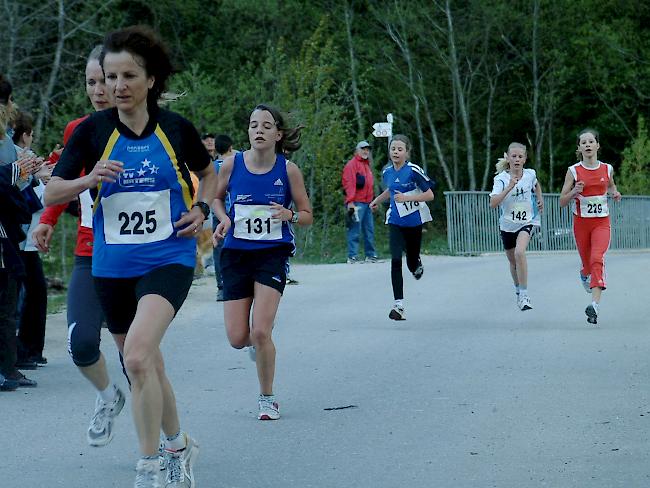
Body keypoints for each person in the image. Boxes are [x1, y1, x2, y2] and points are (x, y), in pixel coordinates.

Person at [45, 26, 218, 487]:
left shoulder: (176, 129)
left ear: (151, 80)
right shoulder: (90, 132)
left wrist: (201, 207)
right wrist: (87, 180)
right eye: (110, 76)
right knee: (146, 363)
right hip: (111, 265)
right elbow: (51, 192)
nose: (117, 86)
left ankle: (148, 469)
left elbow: (210, 173)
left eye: (128, 75)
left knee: (138, 357)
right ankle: (180, 446)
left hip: (168, 257)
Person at [33, 45, 130, 448]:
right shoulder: (79, 130)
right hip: (91, 253)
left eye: (105, 79)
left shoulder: (149, 129)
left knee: (138, 360)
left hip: (140, 258)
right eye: (90, 82)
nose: (98, 89)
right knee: (81, 342)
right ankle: (108, 397)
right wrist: (47, 221)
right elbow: (62, 182)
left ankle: (166, 438)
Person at [213, 104, 312, 421]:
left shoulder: (289, 170)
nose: (259, 130)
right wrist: (224, 218)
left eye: (266, 126)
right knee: (237, 338)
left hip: (272, 253)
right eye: (254, 125)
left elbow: (307, 215)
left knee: (259, 331)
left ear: (278, 134)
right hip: (236, 254)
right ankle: (257, 342)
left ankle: (267, 398)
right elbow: (214, 198)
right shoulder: (231, 165)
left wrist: (290, 215)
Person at [0, 73, 39, 389]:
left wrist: (31, 178)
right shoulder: (6, 147)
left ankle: (9, 366)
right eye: (7, 101)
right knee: (7, 300)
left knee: (10, 297)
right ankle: (6, 368)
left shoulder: (7, 144)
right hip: (4, 233)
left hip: (9, 230)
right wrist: (18, 174)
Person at [559, 128, 621, 325]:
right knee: (587, 264)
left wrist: (615, 192)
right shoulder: (573, 171)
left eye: (590, 141)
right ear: (579, 148)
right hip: (581, 224)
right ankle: (584, 272)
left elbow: (610, 186)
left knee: (597, 258)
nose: (587, 145)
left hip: (602, 222)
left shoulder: (607, 168)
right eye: (583, 142)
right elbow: (562, 200)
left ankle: (594, 305)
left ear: (597, 145)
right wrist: (575, 191)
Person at [370, 134, 434, 321]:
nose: (396, 152)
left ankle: (416, 264)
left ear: (407, 152)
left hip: (414, 222)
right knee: (395, 259)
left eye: (400, 149)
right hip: (395, 221)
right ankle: (399, 305)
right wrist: (376, 200)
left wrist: (407, 198)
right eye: (393, 149)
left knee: (411, 261)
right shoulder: (387, 172)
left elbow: (429, 195)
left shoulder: (413, 170)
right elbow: (390, 190)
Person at [13, 112, 52, 366]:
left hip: (27, 236)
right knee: (27, 293)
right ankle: (23, 351)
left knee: (33, 291)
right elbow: (21, 194)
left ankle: (30, 350)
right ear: (25, 135)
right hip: (19, 235)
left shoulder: (23, 157)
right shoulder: (17, 156)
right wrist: (38, 177)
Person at [489, 143, 544, 311]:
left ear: (525, 158)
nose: (517, 160)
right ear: (508, 157)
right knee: (513, 262)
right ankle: (518, 290)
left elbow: (536, 184)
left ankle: (525, 294)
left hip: (527, 221)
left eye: (520, 156)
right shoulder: (500, 179)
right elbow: (493, 203)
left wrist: (540, 198)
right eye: (514, 156)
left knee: (520, 252)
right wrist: (509, 187)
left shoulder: (530, 174)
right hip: (507, 225)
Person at [342, 140, 377, 263]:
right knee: (354, 230)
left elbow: (370, 185)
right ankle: (352, 256)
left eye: (367, 149)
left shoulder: (366, 165)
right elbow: (349, 184)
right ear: (357, 150)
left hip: (367, 203)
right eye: (363, 149)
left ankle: (370, 255)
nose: (365, 151)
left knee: (369, 230)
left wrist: (373, 201)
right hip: (356, 203)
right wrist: (350, 202)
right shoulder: (352, 165)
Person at [212, 134, 236, 301]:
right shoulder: (237, 163)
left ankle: (221, 286)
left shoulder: (211, 167)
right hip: (236, 212)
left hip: (218, 214)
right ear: (230, 147)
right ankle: (237, 283)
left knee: (219, 249)